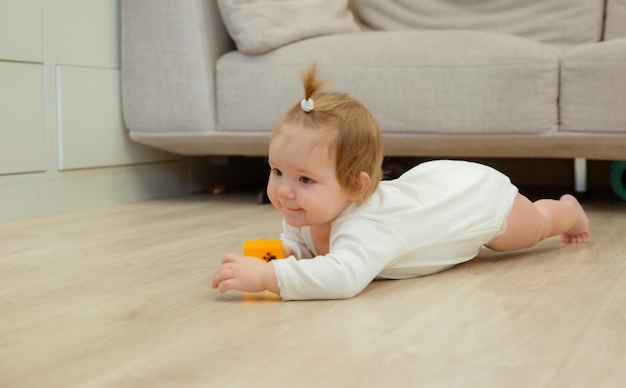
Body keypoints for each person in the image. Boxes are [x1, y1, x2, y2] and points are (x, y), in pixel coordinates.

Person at [211, 66, 590, 300]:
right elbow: (300, 250)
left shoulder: (367, 226)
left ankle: (568, 212)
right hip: (429, 188)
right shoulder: (302, 211)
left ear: (357, 187)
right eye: (277, 171)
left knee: (529, 229)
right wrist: (276, 257)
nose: (283, 190)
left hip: (472, 200)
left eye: (305, 179)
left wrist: (267, 276)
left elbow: (342, 277)